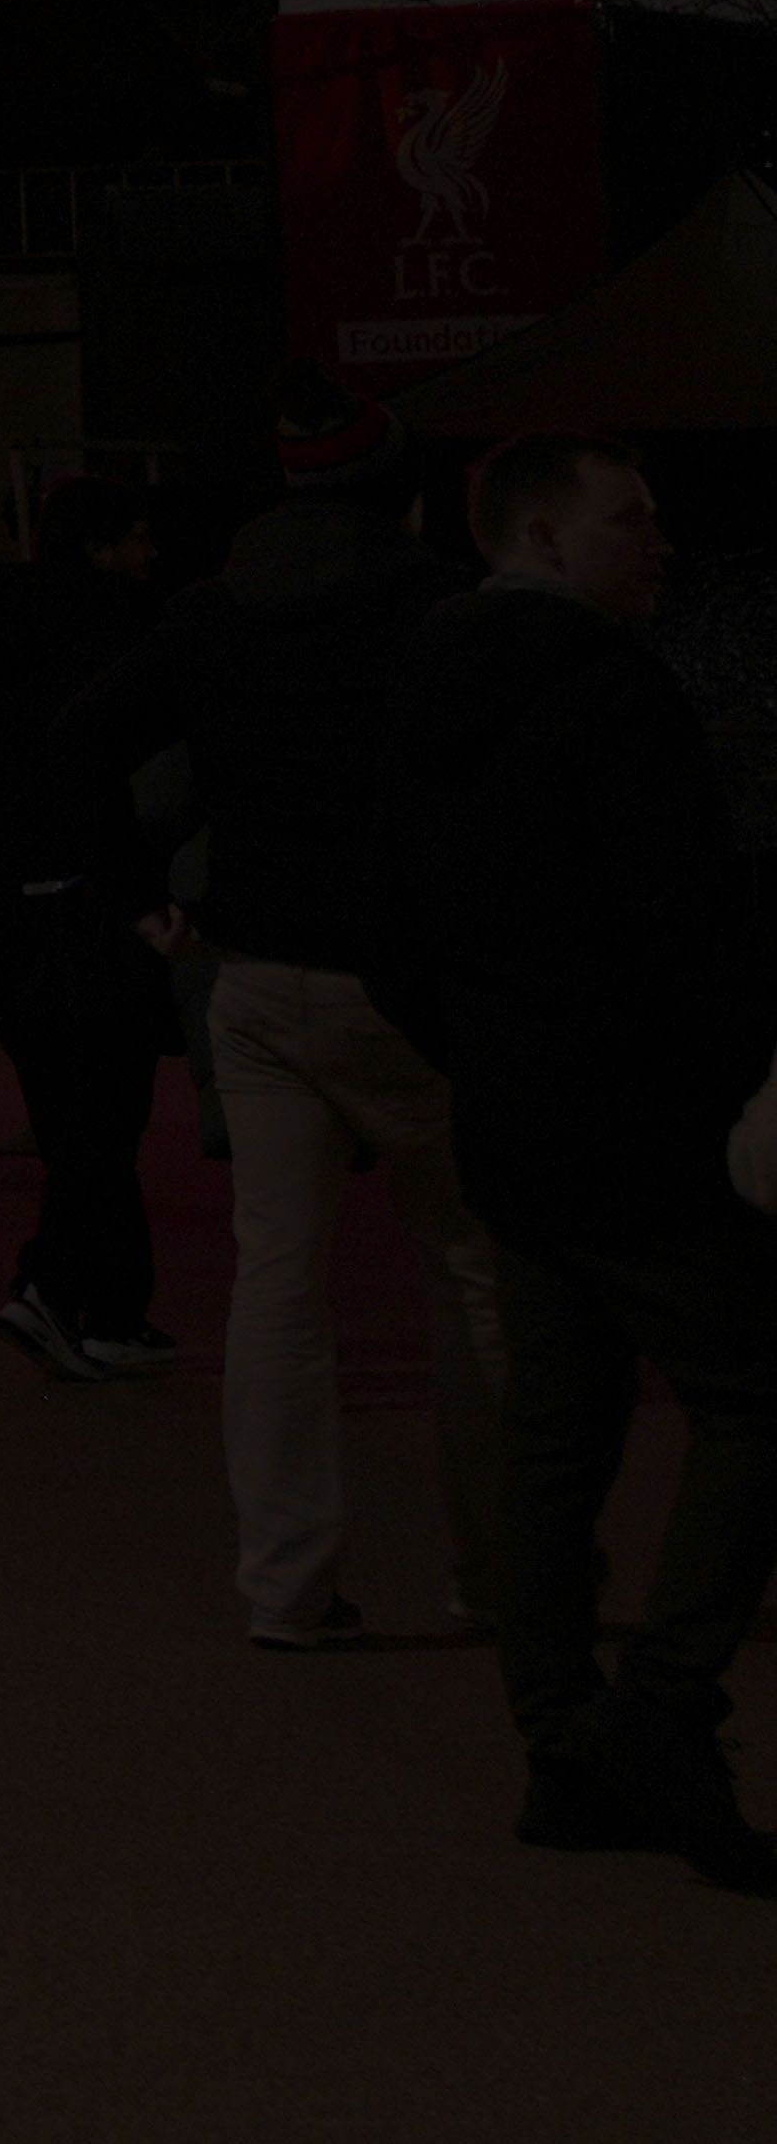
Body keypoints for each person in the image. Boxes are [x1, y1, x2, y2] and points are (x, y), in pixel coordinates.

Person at [383, 431, 777, 1889]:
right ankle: (663, 1707)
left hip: (510, 1114)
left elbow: (388, 921)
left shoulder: (419, 680)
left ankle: (561, 1739)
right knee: (753, 1390)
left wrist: (482, 1039)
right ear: (542, 538)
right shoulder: (616, 687)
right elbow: (689, 923)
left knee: (555, 1429)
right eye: (628, 518)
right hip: (636, 1122)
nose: (655, 540)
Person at [65, 483, 508, 1641]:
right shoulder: (439, 615)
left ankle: (286, 1583)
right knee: (471, 1271)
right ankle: (500, 1575)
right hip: (404, 980)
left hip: (254, 972)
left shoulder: (215, 618)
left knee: (277, 1281)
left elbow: (81, 743)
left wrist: (144, 904)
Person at [0, 483, 186, 1381]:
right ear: (103, 547)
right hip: (101, 895)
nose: (151, 553)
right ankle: (70, 1296)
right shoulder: (131, 639)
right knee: (107, 1114)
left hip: (30, 893)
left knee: (87, 1115)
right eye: (138, 536)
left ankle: (90, 1302)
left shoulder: (7, 634)